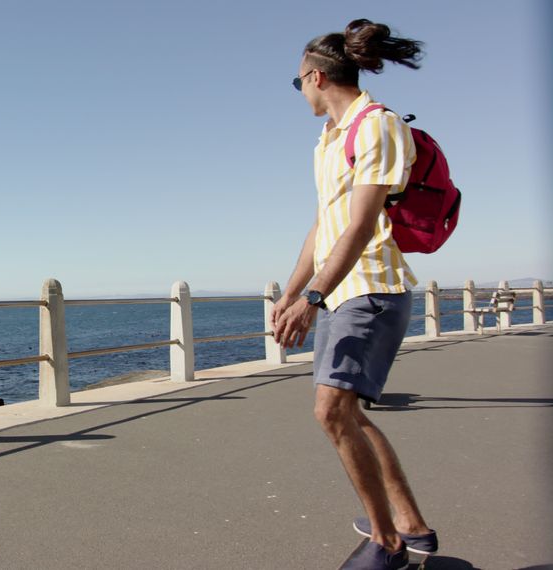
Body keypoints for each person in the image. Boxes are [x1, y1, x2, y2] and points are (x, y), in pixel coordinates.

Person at [271, 19, 439, 570]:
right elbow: (322, 227)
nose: (301, 93)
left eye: (299, 83)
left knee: (332, 412)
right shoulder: (327, 141)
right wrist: (291, 291)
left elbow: (361, 226)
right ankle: (410, 526)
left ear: (316, 77)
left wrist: (312, 299)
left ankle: (387, 545)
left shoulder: (378, 126)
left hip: (370, 288)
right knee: (352, 414)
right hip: (340, 294)